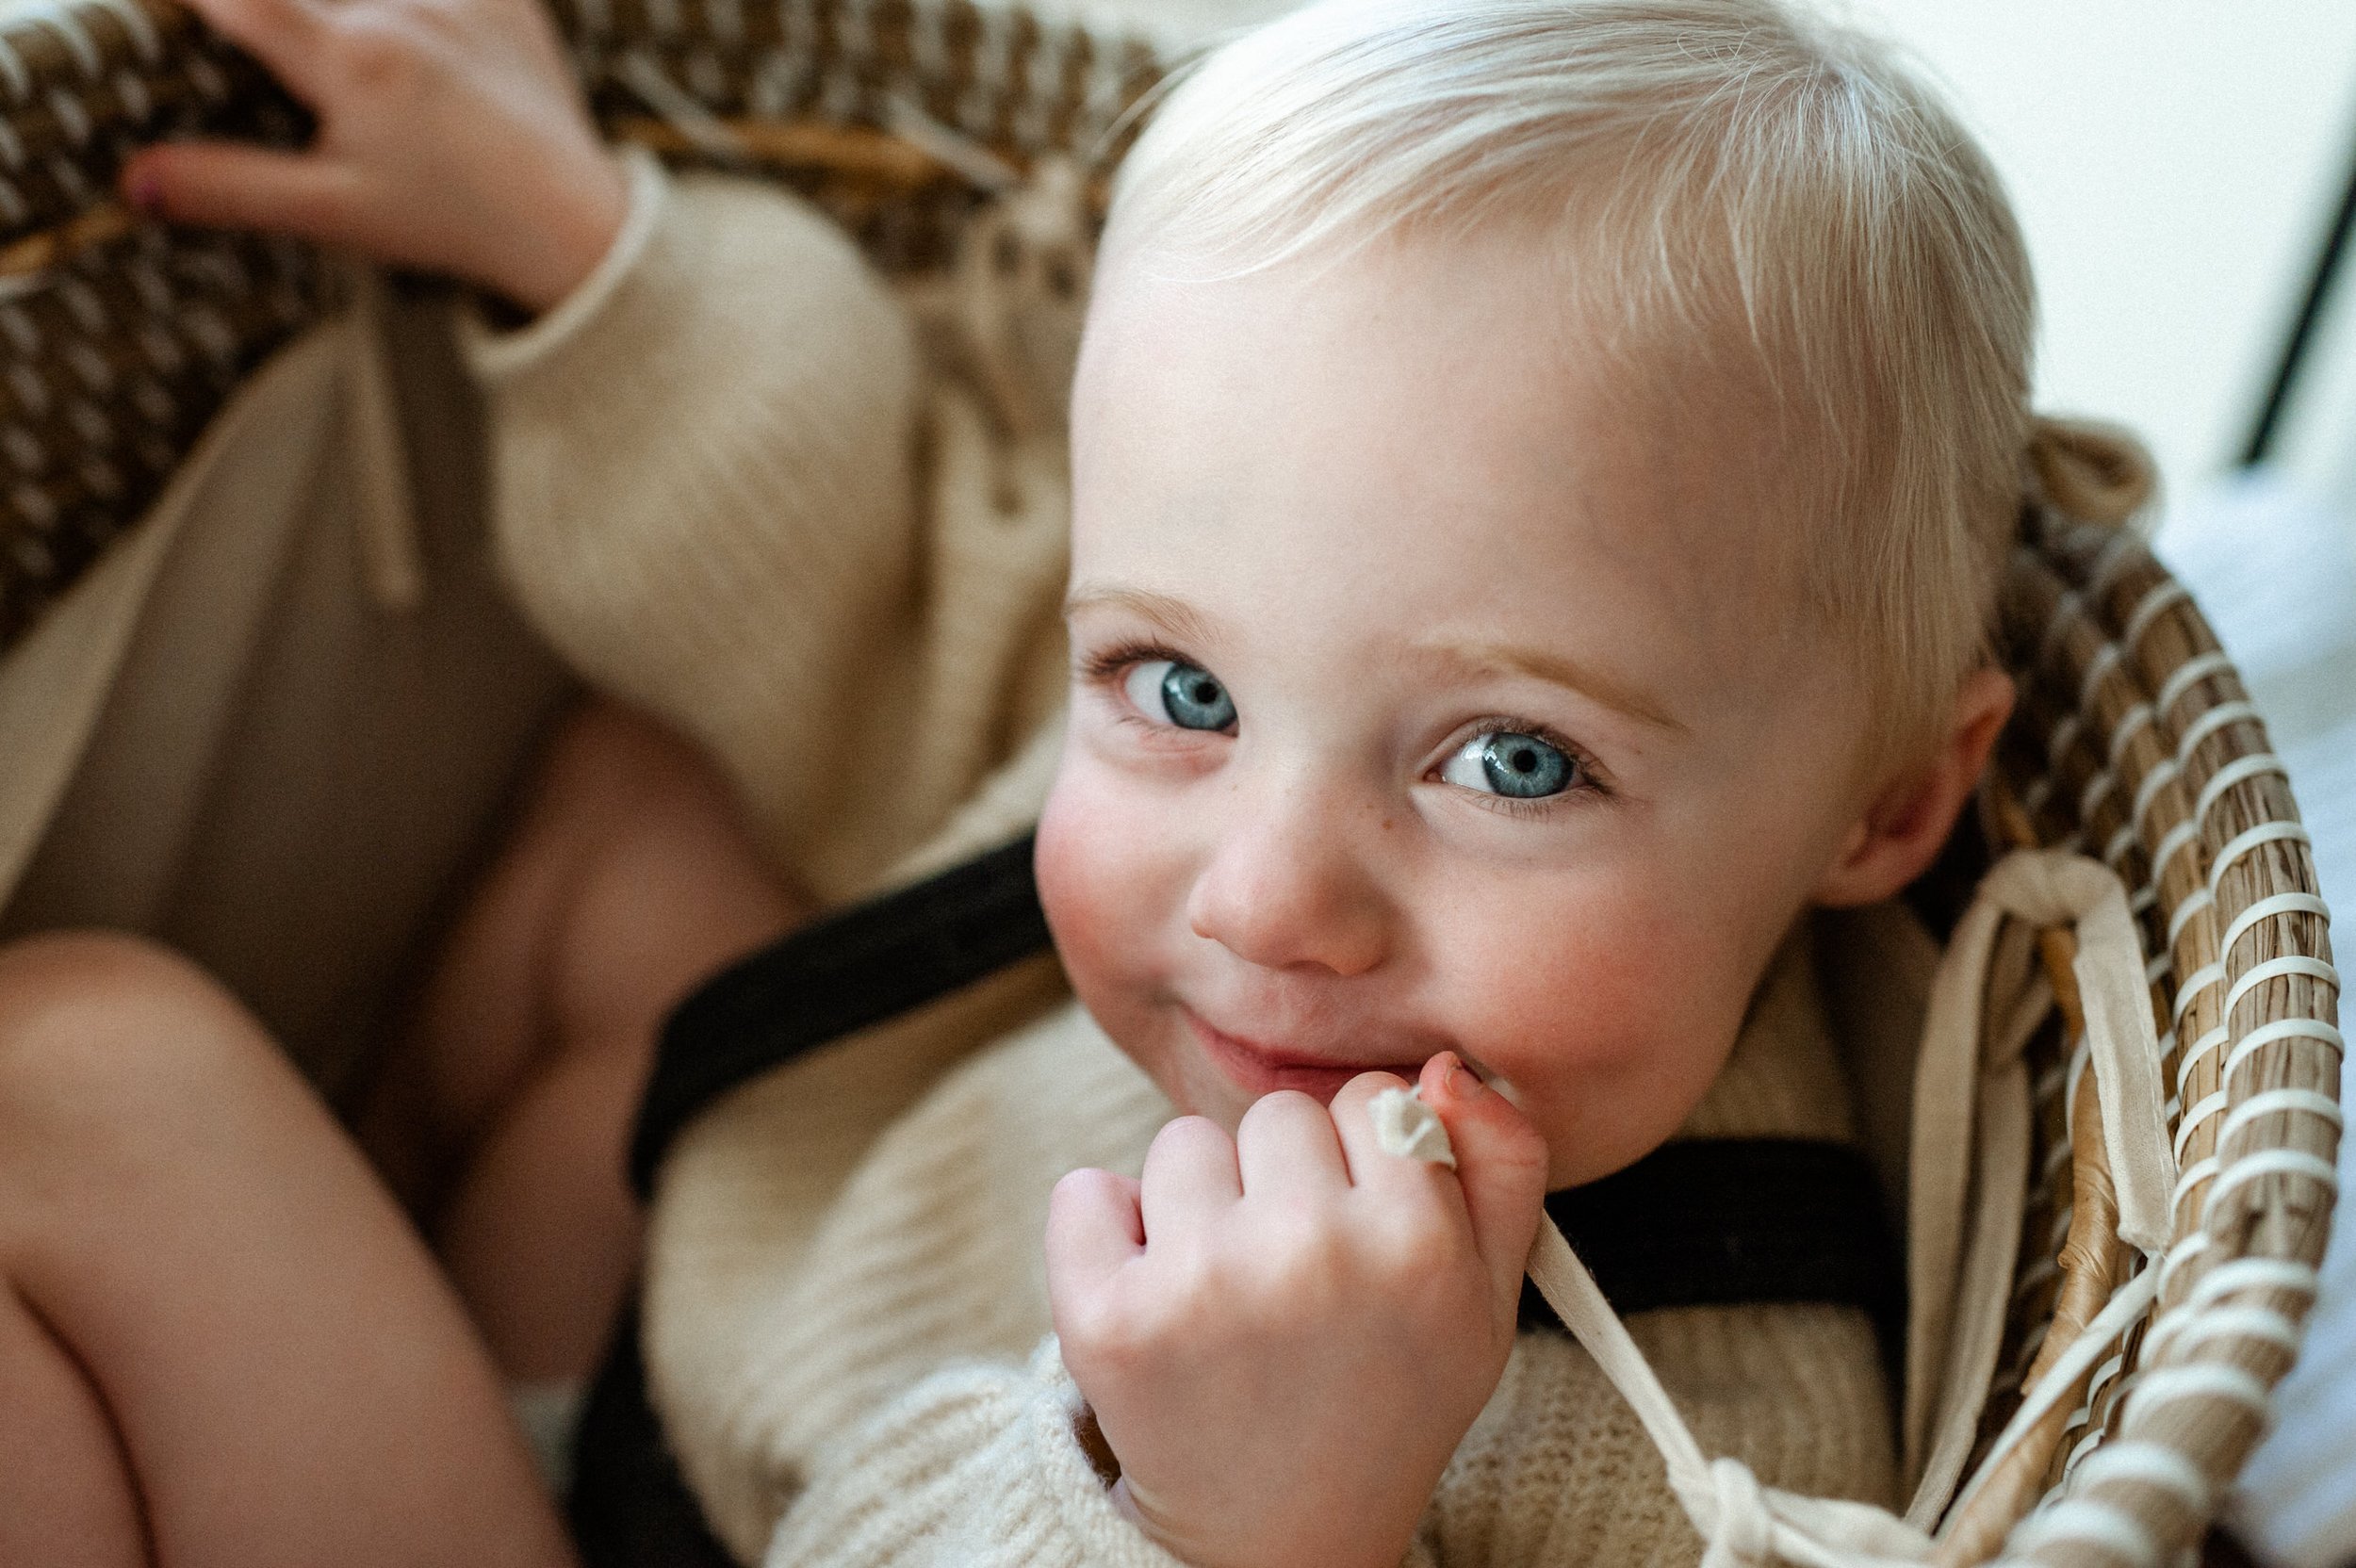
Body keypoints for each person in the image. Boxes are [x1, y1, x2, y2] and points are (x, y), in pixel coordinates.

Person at [0, 0, 2072, 1561]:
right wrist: (583, 248)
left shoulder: (1702, 1450)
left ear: (1884, 802)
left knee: (88, 1073)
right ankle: (414, 1361)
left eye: (1509, 761)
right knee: (649, 816)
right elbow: (890, 599)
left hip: (844, 1514)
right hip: (701, 1364)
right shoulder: (1356, 856)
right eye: (1174, 683)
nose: (1263, 895)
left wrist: (1221, 1516)